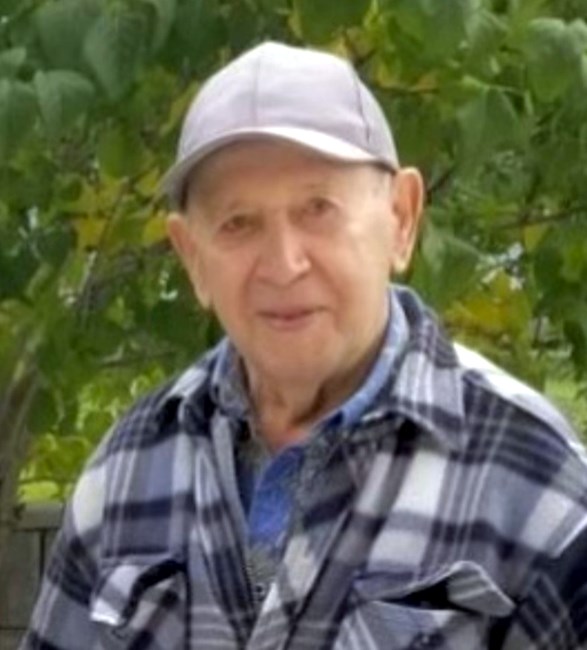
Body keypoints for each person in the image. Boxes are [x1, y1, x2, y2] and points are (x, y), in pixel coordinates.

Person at [20, 41, 587, 650]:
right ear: (192, 257)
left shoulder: (537, 484)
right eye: (239, 223)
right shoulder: (126, 472)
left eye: (319, 209)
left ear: (401, 219)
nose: (283, 264)